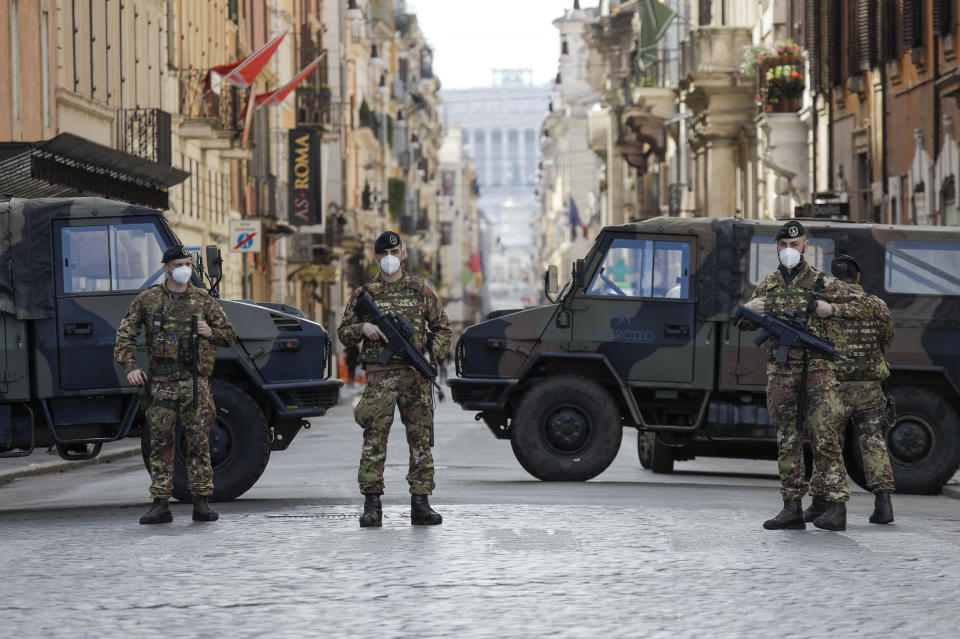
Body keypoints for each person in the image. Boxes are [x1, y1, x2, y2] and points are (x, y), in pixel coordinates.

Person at [739, 221, 865, 531]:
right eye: (784, 245)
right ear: (777, 248)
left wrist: (830, 311)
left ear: (806, 247)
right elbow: (743, 324)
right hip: (781, 375)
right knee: (787, 441)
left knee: (825, 438)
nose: (789, 251)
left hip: (818, 373)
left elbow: (864, 307)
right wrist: (748, 309)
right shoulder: (767, 285)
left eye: (795, 246)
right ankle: (791, 507)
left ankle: (836, 507)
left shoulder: (823, 283)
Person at [114, 245, 237, 525]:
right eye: (180, 264)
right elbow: (124, 336)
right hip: (161, 384)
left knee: (199, 443)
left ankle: (202, 503)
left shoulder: (202, 300)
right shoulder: (148, 300)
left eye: (188, 264)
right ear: (167, 267)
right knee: (161, 444)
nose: (185, 269)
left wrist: (210, 332)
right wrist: (131, 368)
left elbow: (230, 335)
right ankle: (160, 504)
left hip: (195, 384)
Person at [338, 231, 452, 528]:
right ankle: (372, 505)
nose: (390, 257)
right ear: (377, 257)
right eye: (384, 253)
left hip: (415, 376)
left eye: (396, 251)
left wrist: (431, 355)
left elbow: (443, 329)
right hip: (380, 377)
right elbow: (343, 332)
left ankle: (421, 503)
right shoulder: (366, 293)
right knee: (374, 440)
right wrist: (364, 328)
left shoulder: (420, 290)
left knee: (420, 441)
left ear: (403, 254)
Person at [805, 255, 895, 524]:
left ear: (832, 278)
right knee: (873, 441)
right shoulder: (876, 305)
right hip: (869, 386)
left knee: (828, 444)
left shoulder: (824, 304)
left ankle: (821, 502)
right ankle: (884, 503)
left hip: (835, 385)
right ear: (857, 278)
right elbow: (886, 340)